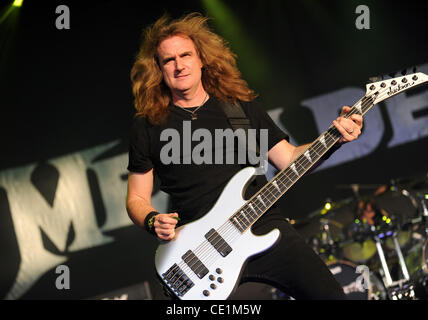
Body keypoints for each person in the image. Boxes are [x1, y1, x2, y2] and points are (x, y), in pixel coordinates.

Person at [126, 13, 363, 300]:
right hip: (198, 251)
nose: (179, 65)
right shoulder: (148, 125)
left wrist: (334, 138)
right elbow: (136, 198)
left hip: (262, 226)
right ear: (159, 69)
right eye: (168, 60)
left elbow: (288, 160)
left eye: (185, 55)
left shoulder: (237, 107)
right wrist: (153, 220)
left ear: (201, 59)